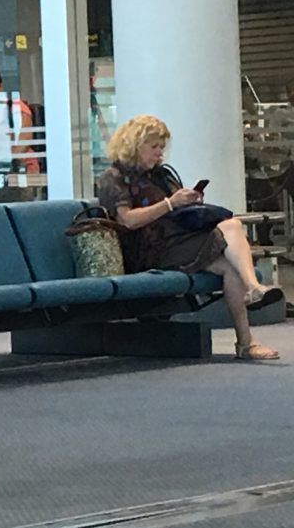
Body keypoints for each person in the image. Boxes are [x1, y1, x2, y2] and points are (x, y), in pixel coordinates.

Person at [97, 114, 282, 361]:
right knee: (232, 226)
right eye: (154, 147)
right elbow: (128, 220)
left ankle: (246, 339)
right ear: (135, 145)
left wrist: (190, 202)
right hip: (147, 250)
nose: (159, 154)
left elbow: (177, 208)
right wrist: (170, 204)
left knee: (230, 266)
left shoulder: (161, 174)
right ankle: (254, 290)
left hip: (178, 242)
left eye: (162, 148)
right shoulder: (114, 178)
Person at [0, 66, 40, 174]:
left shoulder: (15, 107)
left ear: (0, 86)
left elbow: (25, 139)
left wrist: (8, 160)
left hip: (21, 168)